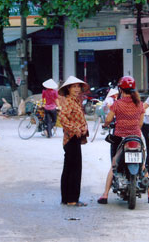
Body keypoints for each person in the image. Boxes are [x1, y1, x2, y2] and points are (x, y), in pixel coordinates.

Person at [97, 76, 149, 204]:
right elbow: (140, 124)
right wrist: (133, 129)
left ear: (121, 89)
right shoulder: (139, 104)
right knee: (142, 165)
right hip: (136, 138)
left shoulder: (117, 104)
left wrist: (106, 125)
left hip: (119, 138)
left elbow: (108, 119)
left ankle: (105, 195)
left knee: (114, 164)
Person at [58, 76, 89, 207]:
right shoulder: (69, 102)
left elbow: (77, 119)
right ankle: (72, 199)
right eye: (74, 87)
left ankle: (66, 198)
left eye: (78, 87)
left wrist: (84, 127)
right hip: (71, 138)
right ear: (68, 89)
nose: (77, 89)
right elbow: (62, 117)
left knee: (69, 168)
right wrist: (75, 129)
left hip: (72, 138)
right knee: (74, 169)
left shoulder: (76, 102)